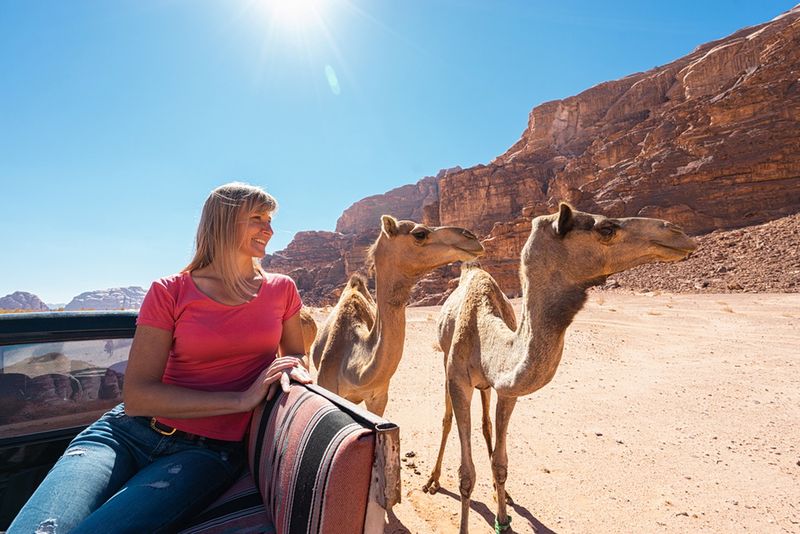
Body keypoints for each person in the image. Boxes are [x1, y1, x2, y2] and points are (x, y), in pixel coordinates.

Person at [9, 182, 312, 533]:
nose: (269, 230)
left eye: (270, 219)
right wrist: (242, 399)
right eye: (258, 218)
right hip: (123, 433)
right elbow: (138, 396)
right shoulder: (169, 291)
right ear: (224, 221)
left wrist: (294, 367)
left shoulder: (282, 289)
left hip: (207, 452)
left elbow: (295, 353)